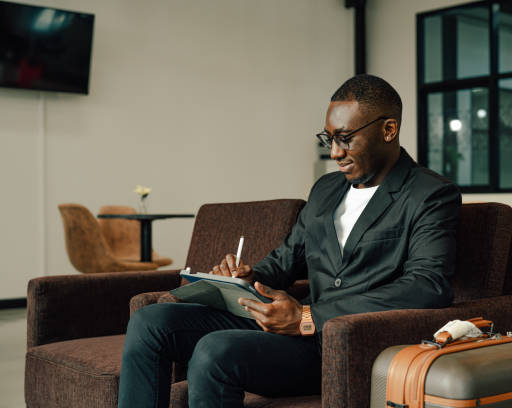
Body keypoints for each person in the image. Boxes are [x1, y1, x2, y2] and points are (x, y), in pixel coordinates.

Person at [117, 74, 461, 408]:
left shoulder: (430, 194)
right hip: (292, 328)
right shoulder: (326, 190)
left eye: (345, 138)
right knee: (151, 322)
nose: (336, 153)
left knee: (214, 350)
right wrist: (248, 278)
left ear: (389, 129)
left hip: (342, 343)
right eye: (329, 139)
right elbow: (286, 260)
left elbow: (428, 286)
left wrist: (309, 316)